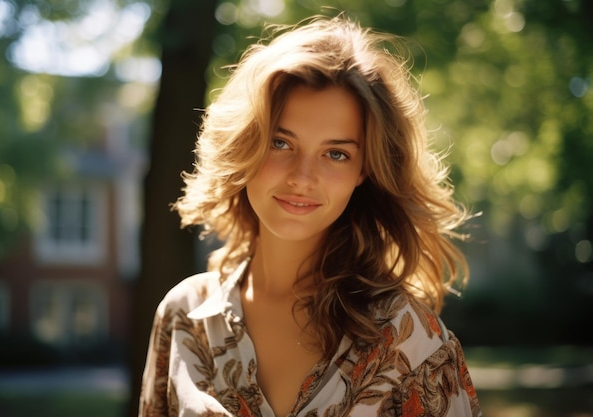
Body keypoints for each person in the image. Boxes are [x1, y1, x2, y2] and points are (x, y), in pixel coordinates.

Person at [138, 15, 481, 417]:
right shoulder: (184, 317)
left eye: (336, 154)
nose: (303, 178)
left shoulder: (412, 344)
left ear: (363, 170)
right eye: (281, 142)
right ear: (246, 144)